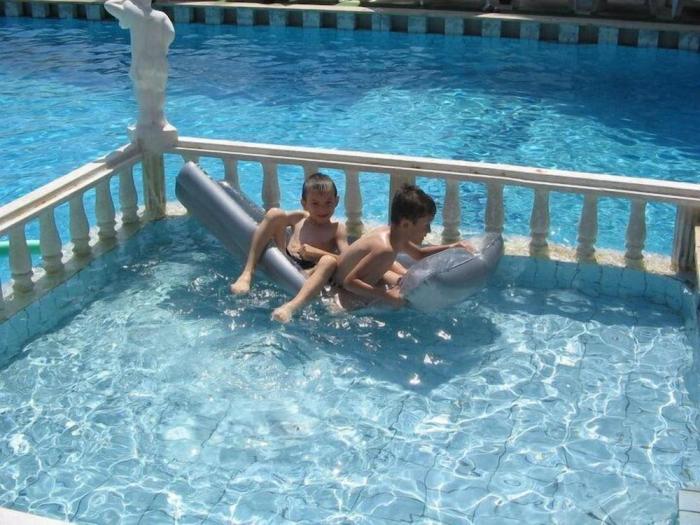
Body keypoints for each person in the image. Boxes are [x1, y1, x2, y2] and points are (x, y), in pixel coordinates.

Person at [230, 173, 349, 323]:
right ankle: (247, 273)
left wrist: (317, 254)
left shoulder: (337, 229)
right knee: (275, 213)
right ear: (304, 203)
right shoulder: (299, 218)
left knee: (329, 261)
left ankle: (291, 307)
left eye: (328, 202)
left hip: (310, 272)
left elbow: (348, 259)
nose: (322, 209)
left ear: (336, 201)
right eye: (315, 203)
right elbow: (270, 222)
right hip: (285, 258)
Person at [333, 184, 473, 310]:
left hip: (359, 280)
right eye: (426, 225)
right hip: (341, 290)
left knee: (405, 285)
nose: (429, 230)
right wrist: (386, 296)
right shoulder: (384, 249)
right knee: (401, 300)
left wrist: (453, 246)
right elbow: (349, 282)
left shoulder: (393, 235)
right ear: (406, 224)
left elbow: (419, 254)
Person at [104, 0, 174, 134]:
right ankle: (160, 119)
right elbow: (170, 34)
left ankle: (145, 120)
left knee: (143, 90)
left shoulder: (134, 14)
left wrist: (127, 2)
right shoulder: (161, 16)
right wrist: (162, 47)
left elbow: (108, 4)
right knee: (159, 90)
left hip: (143, 61)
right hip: (160, 60)